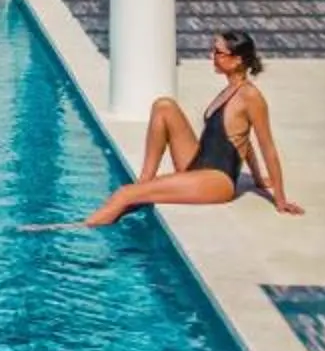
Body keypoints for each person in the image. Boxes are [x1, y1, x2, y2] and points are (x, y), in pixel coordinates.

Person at [79, 31, 302, 226]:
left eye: (218, 53)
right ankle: (145, 180)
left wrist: (279, 199)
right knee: (164, 106)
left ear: (237, 60)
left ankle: (80, 232)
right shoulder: (230, 89)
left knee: (124, 194)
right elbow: (244, 141)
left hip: (217, 181)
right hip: (199, 164)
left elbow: (267, 147)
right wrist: (257, 178)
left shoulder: (251, 97)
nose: (212, 57)